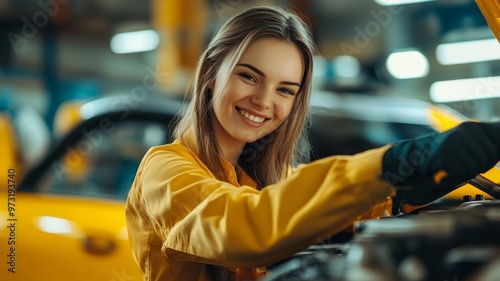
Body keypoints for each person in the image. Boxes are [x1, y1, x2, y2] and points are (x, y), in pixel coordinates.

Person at [125, 6, 500, 281]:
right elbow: (244, 224)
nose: (264, 101)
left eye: (284, 90)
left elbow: (332, 206)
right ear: (209, 74)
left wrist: (410, 186)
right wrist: (390, 163)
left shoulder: (265, 179)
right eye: (249, 76)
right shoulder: (164, 169)